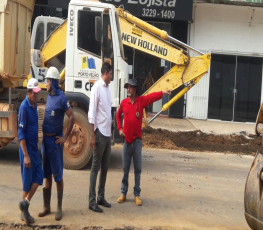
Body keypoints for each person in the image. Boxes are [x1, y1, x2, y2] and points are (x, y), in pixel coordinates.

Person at [116, 79, 171, 206]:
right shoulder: (123, 103)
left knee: (137, 169)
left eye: (130, 87)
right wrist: (119, 128)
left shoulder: (141, 101)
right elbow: (118, 115)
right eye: (127, 87)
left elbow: (152, 97)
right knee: (125, 169)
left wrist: (163, 92)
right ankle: (123, 193)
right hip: (126, 142)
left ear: (135, 89)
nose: (128, 89)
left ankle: (137, 195)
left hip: (137, 142)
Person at [38, 67, 75, 220]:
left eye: (47, 81)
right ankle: (47, 206)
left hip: (55, 142)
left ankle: (59, 208)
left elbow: (72, 117)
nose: (45, 83)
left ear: (53, 82)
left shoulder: (61, 98)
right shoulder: (49, 96)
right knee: (46, 174)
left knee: (57, 176)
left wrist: (65, 137)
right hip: (45, 143)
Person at [88, 62, 113, 213]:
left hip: (107, 134)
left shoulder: (108, 89)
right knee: (95, 168)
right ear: (106, 73)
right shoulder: (97, 88)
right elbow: (92, 114)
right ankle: (91, 201)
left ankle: (100, 197)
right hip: (98, 134)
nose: (111, 76)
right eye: (110, 74)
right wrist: (92, 136)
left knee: (105, 168)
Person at [18, 78, 43, 225]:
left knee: (39, 176)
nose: (36, 95)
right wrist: (26, 155)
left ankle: (25, 204)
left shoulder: (34, 106)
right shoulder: (24, 108)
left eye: (37, 92)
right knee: (27, 182)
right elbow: (21, 134)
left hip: (34, 149)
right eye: (34, 93)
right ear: (28, 92)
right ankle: (24, 213)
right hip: (27, 150)